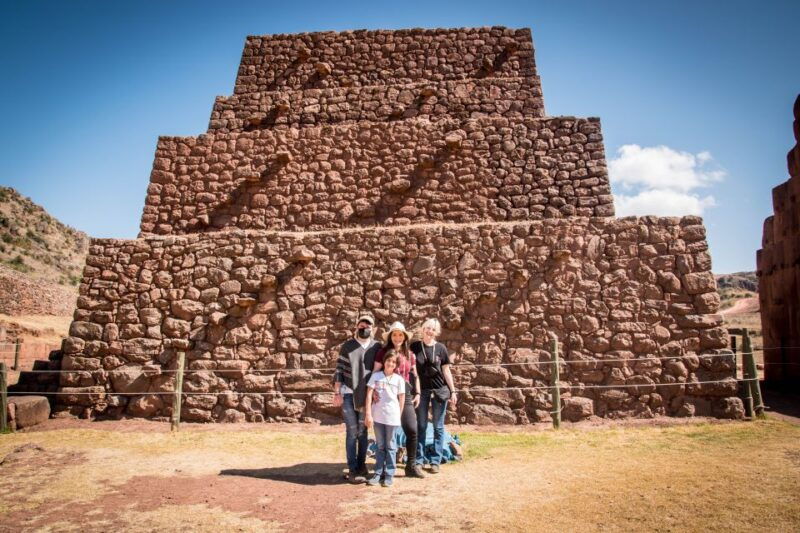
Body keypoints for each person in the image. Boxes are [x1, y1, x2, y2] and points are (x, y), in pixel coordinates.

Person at [373, 321, 426, 478]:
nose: (397, 337)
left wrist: (418, 393)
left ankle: (411, 466)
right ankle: (383, 467)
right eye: (394, 334)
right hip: (387, 395)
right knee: (386, 432)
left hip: (405, 394)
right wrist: (374, 390)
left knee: (412, 429)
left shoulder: (410, 355)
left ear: (404, 337)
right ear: (390, 336)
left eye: (400, 334)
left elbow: (414, 374)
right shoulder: (383, 353)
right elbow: (375, 371)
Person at [333, 314, 381, 483]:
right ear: (357, 327)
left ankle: (362, 466)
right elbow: (339, 369)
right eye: (361, 325)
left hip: (367, 396)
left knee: (363, 432)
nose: (364, 328)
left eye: (368, 326)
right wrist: (337, 392)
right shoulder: (348, 346)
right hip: (348, 394)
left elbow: (382, 371)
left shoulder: (377, 347)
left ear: (372, 328)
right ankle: (353, 469)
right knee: (352, 432)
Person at [412, 318, 457, 474]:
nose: (429, 331)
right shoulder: (415, 347)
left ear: (436, 332)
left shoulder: (441, 348)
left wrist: (453, 391)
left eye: (433, 329)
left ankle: (435, 461)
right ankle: (419, 460)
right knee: (421, 426)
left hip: (439, 390)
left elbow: (446, 371)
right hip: (422, 391)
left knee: (438, 427)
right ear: (423, 329)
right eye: (427, 328)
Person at [365, 350, 405, 487]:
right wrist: (368, 414)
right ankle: (378, 473)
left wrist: (398, 415)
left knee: (391, 446)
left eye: (393, 362)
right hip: (378, 417)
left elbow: (401, 398)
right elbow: (369, 394)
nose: (390, 363)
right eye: (388, 360)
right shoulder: (376, 376)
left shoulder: (399, 380)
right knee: (380, 446)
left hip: (392, 417)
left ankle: (389, 473)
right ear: (384, 361)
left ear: (396, 365)